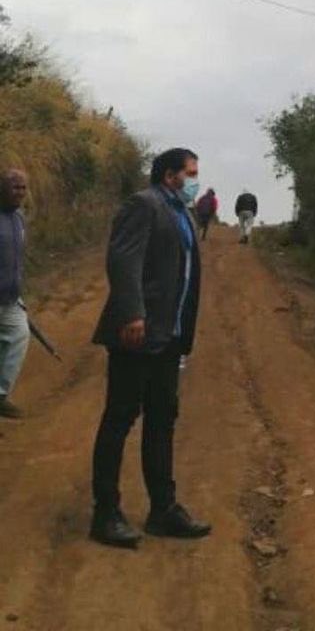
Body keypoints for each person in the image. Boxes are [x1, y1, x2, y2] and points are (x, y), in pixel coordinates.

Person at [89, 147, 212, 549]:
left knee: (162, 420)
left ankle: (163, 509)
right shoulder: (143, 205)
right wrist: (132, 314)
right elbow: (123, 260)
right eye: (190, 173)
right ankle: (105, 514)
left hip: (169, 338)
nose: (195, 179)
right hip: (136, 334)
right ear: (169, 174)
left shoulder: (184, 214)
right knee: (120, 419)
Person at [0, 169, 29, 420]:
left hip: (11, 301)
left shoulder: (19, 218)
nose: (20, 192)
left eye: (23, 187)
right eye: (15, 187)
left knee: (19, 337)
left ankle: (0, 396)